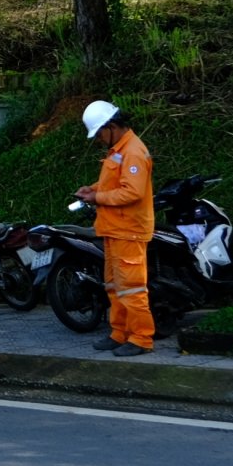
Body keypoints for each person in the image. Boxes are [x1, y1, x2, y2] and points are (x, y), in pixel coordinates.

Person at [74, 100, 155, 357]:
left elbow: (131, 192)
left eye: (99, 133)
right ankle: (120, 333)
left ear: (111, 126)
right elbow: (113, 183)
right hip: (115, 230)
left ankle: (141, 338)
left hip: (128, 231)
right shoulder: (119, 149)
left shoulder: (133, 152)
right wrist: (93, 189)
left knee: (131, 288)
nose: (98, 139)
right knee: (115, 286)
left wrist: (96, 198)